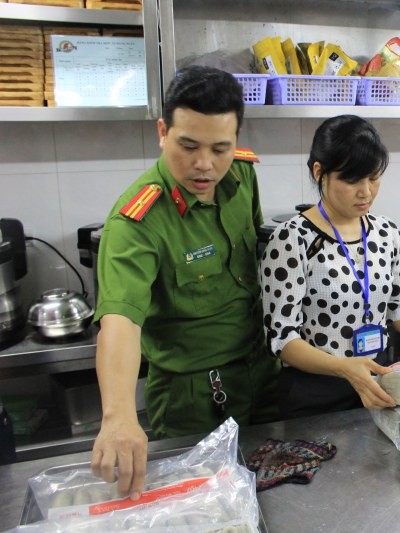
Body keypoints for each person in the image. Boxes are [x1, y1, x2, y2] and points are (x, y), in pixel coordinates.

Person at [91, 65, 280, 500]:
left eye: (220, 148)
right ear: (163, 132)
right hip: (194, 397)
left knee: (275, 499)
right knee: (204, 510)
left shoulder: (242, 175)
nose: (204, 165)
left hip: (263, 375)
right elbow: (120, 320)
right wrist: (118, 415)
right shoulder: (136, 221)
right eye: (188, 146)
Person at [261, 114, 400, 419]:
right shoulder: (292, 238)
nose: (366, 192)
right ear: (319, 172)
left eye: (374, 177)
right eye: (352, 180)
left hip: (377, 383)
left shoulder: (385, 232)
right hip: (316, 393)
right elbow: (282, 337)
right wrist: (343, 368)